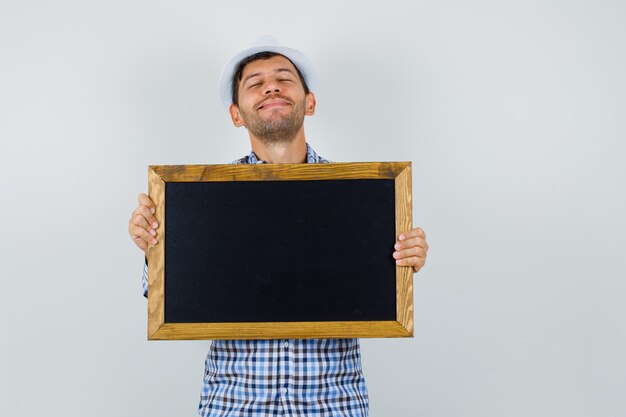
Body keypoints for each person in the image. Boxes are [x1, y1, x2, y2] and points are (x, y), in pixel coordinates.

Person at [128, 35, 429, 417]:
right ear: (237, 114)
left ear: (310, 102)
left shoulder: (365, 197)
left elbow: (379, 285)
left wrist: (406, 257)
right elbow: (165, 297)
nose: (271, 86)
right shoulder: (200, 202)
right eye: (255, 83)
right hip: (235, 404)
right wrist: (154, 243)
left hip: (333, 404)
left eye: (284, 78)